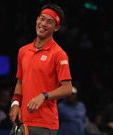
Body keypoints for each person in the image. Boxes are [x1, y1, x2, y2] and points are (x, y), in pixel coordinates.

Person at [9, 3, 72, 135]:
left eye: (49, 21)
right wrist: (15, 103)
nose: (43, 23)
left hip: (44, 124)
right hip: (23, 121)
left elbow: (67, 88)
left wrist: (44, 96)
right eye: (41, 18)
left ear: (56, 27)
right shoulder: (23, 51)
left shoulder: (58, 53)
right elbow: (20, 81)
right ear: (37, 19)